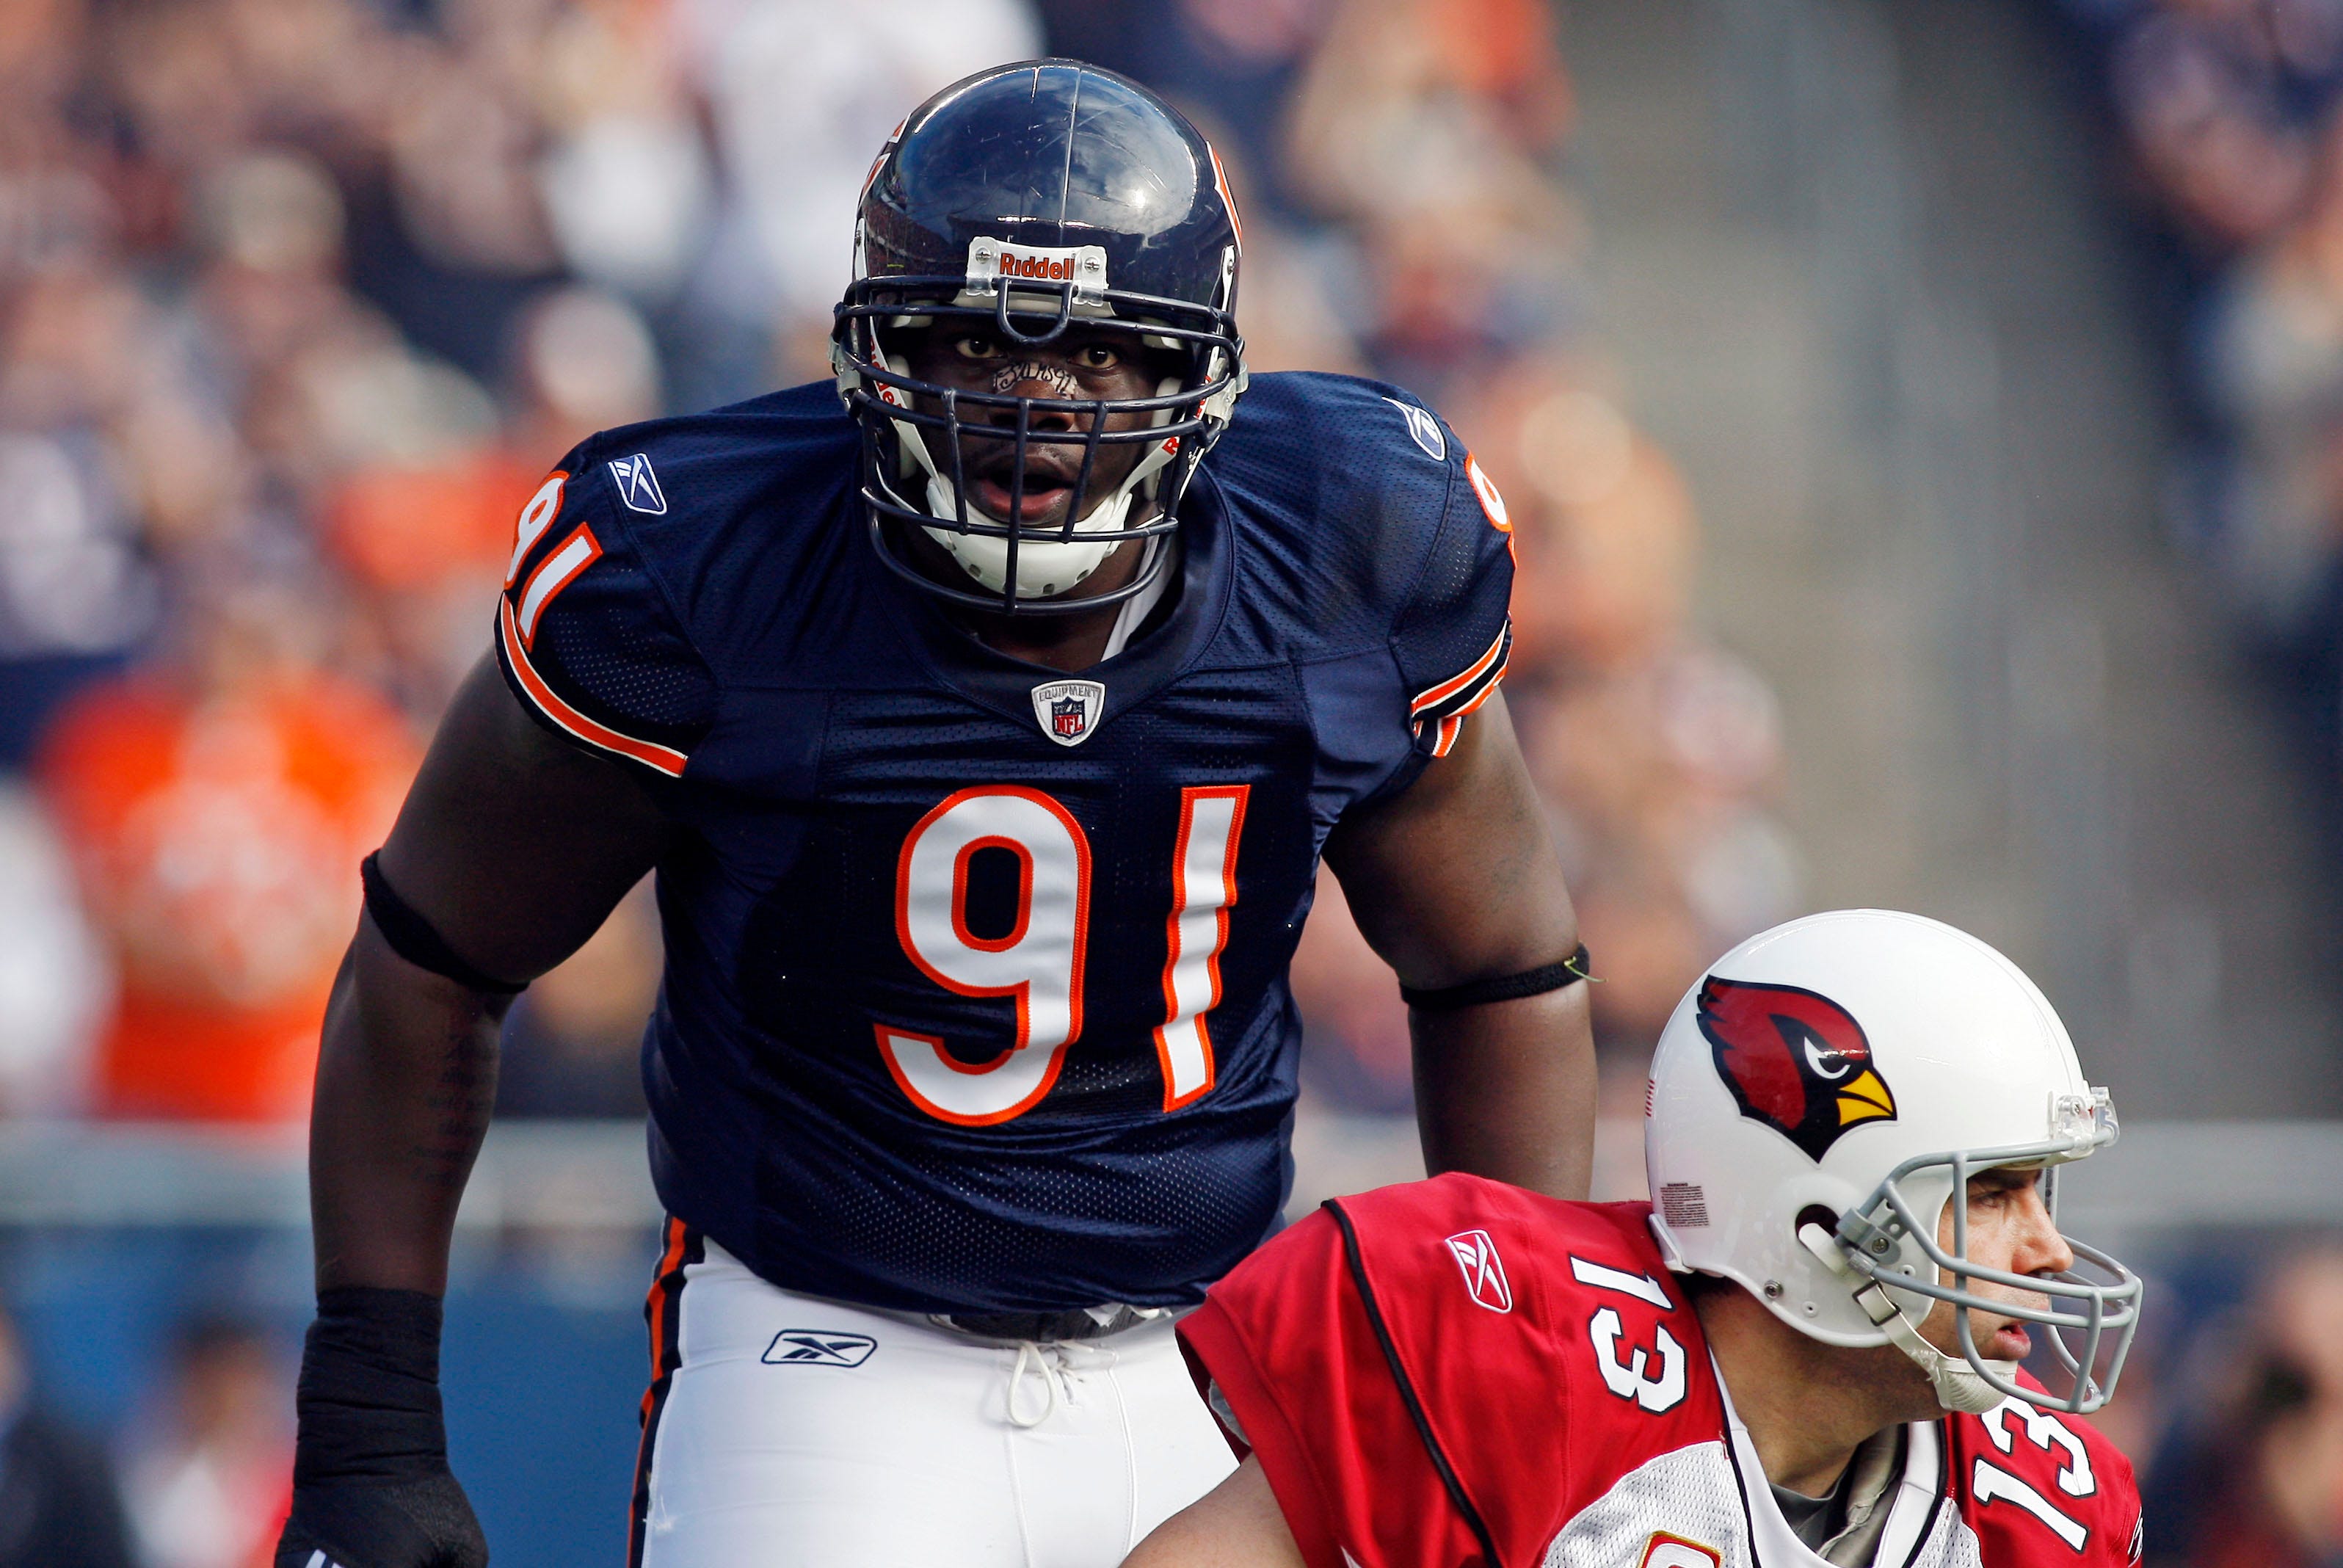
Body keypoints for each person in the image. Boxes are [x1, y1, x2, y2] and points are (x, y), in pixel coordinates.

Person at [276, 59, 1595, 1568]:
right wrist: (368, 1420)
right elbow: (432, 961)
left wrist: (1507, 1374)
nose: (1037, 404)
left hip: (1217, 1366)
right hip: (817, 1350)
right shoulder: (695, 565)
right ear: (872, 351)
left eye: (1101, 352)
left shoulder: (1359, 537)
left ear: (1204, 379)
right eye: (973, 341)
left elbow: (1502, 970)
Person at [1132, 909, 2148, 1568]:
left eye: (2041, 1193)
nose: (2050, 1251)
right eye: (1993, 1194)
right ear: (1814, 1217)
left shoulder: (2041, 1510)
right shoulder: (1520, 1349)